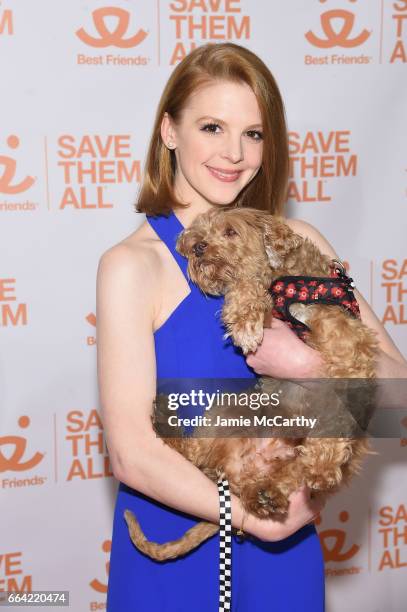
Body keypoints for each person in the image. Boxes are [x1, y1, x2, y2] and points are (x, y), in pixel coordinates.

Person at [96, 42, 407, 612]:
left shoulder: (303, 244)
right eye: (212, 127)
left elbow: (397, 397)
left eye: (254, 134)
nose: (234, 153)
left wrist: (309, 367)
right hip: (178, 550)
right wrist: (249, 517)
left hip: (283, 553)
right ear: (169, 130)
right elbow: (133, 451)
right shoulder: (130, 266)